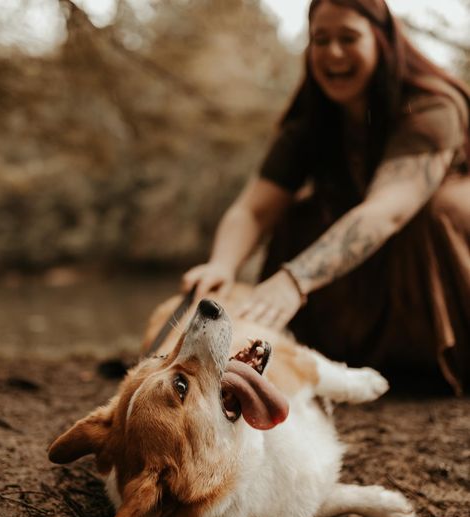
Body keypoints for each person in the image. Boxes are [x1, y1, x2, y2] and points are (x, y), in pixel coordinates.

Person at [182, 0, 470, 394]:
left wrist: (295, 279)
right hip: (369, 264)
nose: (333, 52)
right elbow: (255, 208)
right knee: (299, 216)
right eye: (321, 39)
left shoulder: (432, 106)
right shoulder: (309, 123)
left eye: (348, 37)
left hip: (432, 248)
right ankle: (312, 358)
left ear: (382, 41)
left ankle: (433, 363)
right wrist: (222, 264)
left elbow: (386, 212)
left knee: (440, 210)